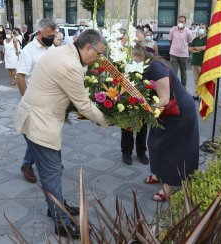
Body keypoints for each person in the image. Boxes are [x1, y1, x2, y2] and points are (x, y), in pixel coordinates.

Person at [13, 29, 108, 239]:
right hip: (39, 122)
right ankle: (61, 223)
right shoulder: (71, 65)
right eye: (98, 53)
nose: (99, 58)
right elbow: (83, 104)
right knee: (52, 173)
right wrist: (106, 120)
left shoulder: (65, 51)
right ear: (87, 47)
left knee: (54, 169)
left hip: (37, 117)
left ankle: (54, 206)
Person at [145, 59, 199, 201]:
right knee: (155, 141)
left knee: (172, 147)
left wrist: (143, 111)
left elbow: (164, 99)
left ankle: (169, 186)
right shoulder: (133, 69)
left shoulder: (155, 67)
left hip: (178, 110)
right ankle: (158, 173)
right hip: (161, 111)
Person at [16, 19, 55, 183]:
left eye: (53, 35)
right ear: (39, 34)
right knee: (35, 136)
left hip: (51, 100)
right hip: (34, 102)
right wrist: (26, 99)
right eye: (48, 35)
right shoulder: (28, 51)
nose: (51, 38)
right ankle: (28, 165)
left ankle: (42, 162)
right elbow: (20, 77)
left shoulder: (52, 48)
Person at [121, 44, 149, 166]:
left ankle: (141, 152)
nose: (136, 58)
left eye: (139, 55)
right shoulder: (126, 67)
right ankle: (126, 153)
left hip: (142, 103)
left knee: (142, 129)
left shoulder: (146, 69)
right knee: (127, 129)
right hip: (128, 102)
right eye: (134, 55)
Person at [168, 15, 193, 87]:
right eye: (179, 21)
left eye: (182, 21)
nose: (180, 22)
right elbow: (170, 40)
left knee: (183, 72)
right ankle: (173, 87)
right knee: (174, 72)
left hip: (184, 55)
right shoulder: (173, 29)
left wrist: (184, 47)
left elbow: (190, 42)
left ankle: (183, 87)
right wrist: (174, 47)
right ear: (177, 21)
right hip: (173, 54)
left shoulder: (188, 32)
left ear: (185, 22)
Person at [188, 23, 207, 100]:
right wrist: (198, 49)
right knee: (196, 80)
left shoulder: (207, 38)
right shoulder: (195, 39)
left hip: (202, 63)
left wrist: (195, 49)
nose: (201, 29)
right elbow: (189, 49)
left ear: (206, 30)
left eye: (202, 28)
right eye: (200, 28)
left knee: (203, 80)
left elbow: (205, 47)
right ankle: (196, 94)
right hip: (194, 62)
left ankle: (203, 95)